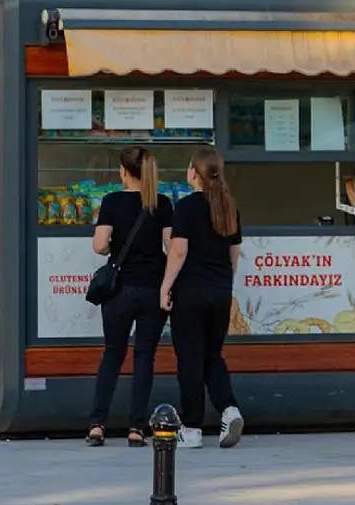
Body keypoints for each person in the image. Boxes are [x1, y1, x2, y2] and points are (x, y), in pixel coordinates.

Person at [158, 146, 244, 449]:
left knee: (190, 360)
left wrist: (165, 286)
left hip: (191, 293)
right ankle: (229, 409)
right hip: (220, 293)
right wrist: (224, 282)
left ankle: (192, 428)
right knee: (212, 356)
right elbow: (235, 253)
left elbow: (179, 251)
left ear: (193, 173)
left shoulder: (186, 207)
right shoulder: (229, 207)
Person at [87, 147, 174, 447]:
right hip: (152, 289)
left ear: (123, 172)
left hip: (119, 291)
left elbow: (99, 245)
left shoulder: (111, 201)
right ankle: (137, 428)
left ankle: (97, 425)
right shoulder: (162, 203)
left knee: (113, 354)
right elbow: (171, 246)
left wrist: (117, 248)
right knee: (144, 358)